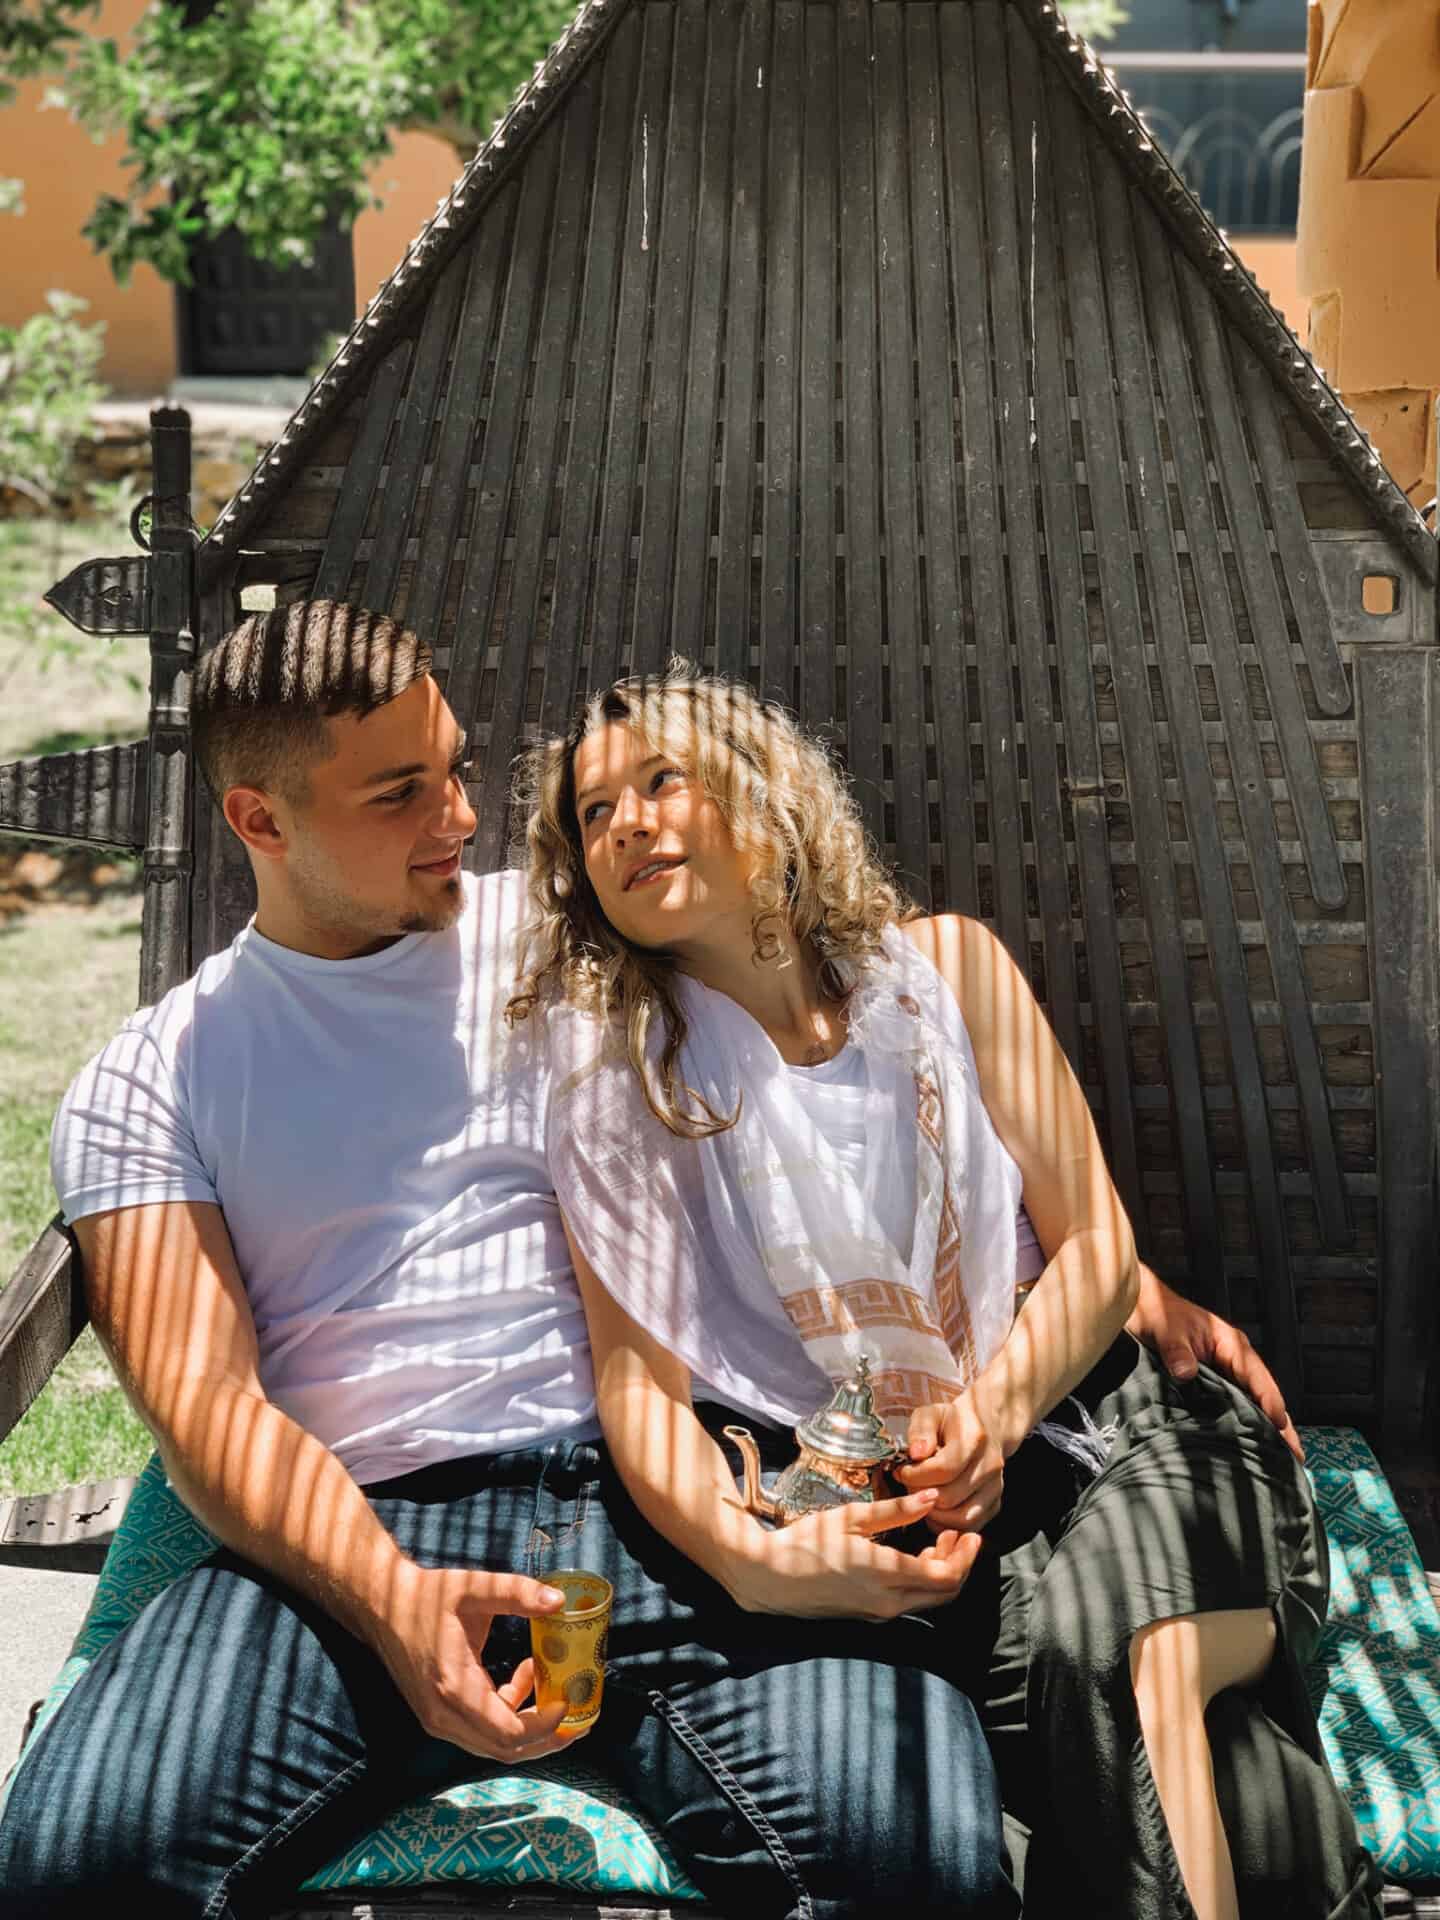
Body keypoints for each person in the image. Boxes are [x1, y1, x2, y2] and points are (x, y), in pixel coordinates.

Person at [0, 598, 1310, 1920]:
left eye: (456, 769)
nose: (459, 820)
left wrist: (1092, 1265)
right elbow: (208, 1403)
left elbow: (858, 1067)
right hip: (369, 1521)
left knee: (910, 1854)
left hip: (689, 1491)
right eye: (400, 794)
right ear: (259, 823)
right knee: (73, 1859)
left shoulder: (584, 931)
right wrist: (388, 1602)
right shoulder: (152, 1079)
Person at [516, 664, 1381, 1920]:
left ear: (761, 798)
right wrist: (755, 1561)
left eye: (662, 781)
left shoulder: (950, 974)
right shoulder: (626, 1101)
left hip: (1121, 1427)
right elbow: (636, 1393)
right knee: (1100, 1755)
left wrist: (999, 1409)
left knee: (1110, 1658)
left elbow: (1095, 1247)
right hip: (915, 1520)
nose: (627, 823)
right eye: (593, 815)